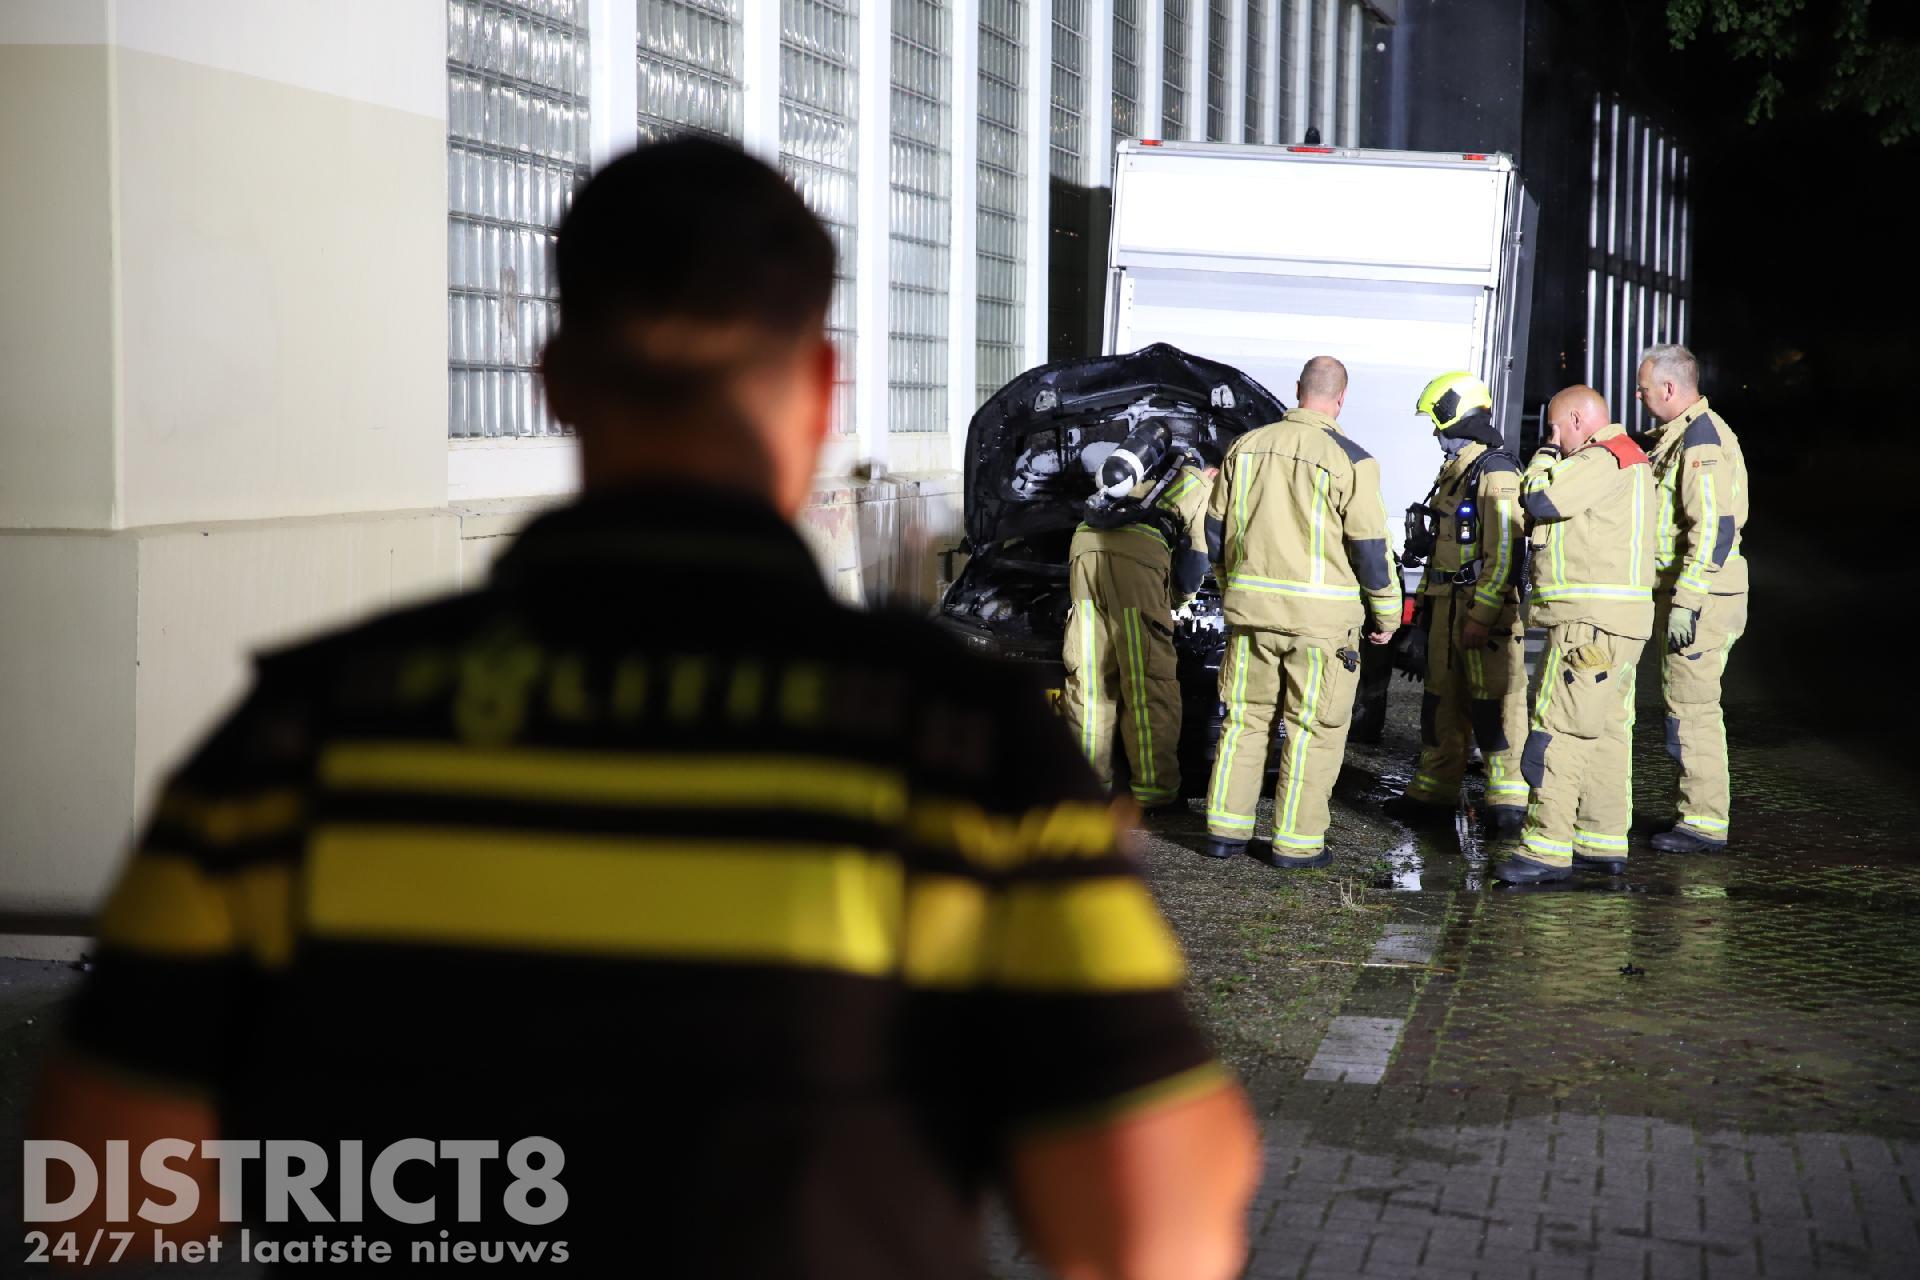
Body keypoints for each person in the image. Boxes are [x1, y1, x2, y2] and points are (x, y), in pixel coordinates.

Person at [31, 140, 1259, 1279]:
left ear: (556, 378)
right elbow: (1152, 1228)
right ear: (819, 390)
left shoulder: (301, 736)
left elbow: (101, 1194)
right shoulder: (962, 753)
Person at [1202, 356, 1401, 866]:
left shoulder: (1245, 448)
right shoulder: (1352, 460)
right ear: (1341, 399)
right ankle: (1295, 843)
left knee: (1244, 721)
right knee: (1312, 730)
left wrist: (1231, 587)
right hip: (1321, 627)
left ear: (1297, 390)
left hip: (1251, 618)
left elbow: (1214, 530)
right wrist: (1386, 616)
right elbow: (1370, 550)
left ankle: (1225, 831)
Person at [1494, 385, 1656, 884]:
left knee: (1559, 732)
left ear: (1579, 422)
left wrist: (1543, 456)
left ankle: (1545, 849)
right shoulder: (1633, 460)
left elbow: (1541, 499)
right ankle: (1600, 842)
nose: (1555, 438)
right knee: (1605, 733)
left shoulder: (1601, 459)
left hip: (1586, 626)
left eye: (1556, 429)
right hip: (1620, 626)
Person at [1381, 371, 1529, 838]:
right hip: (1448, 610)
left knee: (1494, 709)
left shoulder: (1495, 470)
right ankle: (1432, 794)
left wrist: (1481, 616)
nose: (1435, 434)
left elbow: (1506, 552)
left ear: (1457, 417)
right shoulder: (1457, 470)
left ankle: (1508, 803)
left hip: (1482, 616)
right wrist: (1425, 612)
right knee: (1441, 704)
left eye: (1437, 423)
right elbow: (1443, 550)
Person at [1061, 420, 1213, 812]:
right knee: (1147, 680)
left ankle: (1086, 787)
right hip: (1137, 561)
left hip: (1084, 547)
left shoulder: (1126, 465)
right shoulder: (1195, 480)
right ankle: (1155, 792)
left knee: (1089, 678)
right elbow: (1197, 556)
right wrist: (1179, 600)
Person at [1636, 344, 1751, 853]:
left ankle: (1702, 823)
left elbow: (1713, 530)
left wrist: (1686, 600)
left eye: (1643, 388)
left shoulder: (1701, 440)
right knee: (1684, 706)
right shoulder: (1681, 436)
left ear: (1669, 388)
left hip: (1702, 598)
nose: (1639, 396)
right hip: (1693, 593)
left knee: (1693, 710)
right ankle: (1697, 815)